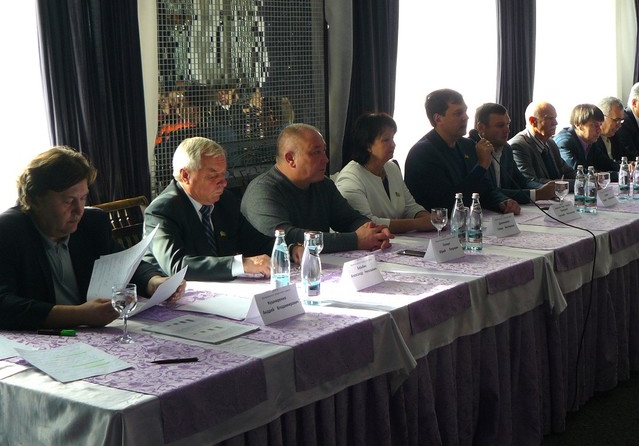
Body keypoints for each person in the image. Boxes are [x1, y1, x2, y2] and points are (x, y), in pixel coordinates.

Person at [0, 147, 184, 331]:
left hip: (90, 333)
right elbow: (4, 303)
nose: (79, 210)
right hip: (37, 338)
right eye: (68, 201)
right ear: (35, 199)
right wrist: (79, 314)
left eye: (83, 198)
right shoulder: (8, 231)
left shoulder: (91, 223)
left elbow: (123, 262)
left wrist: (154, 282)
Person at [241, 123, 393, 253]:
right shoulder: (262, 191)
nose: (325, 159)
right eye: (316, 152)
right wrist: (356, 240)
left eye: (324, 151)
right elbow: (284, 237)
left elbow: (348, 219)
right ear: (291, 158)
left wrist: (374, 231)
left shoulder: (323, 184)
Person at [143, 137, 278, 281]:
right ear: (185, 176)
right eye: (213, 176)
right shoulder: (162, 211)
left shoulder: (225, 201)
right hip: (178, 292)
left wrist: (289, 249)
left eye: (223, 174)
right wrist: (241, 264)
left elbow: (257, 243)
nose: (223, 183)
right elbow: (177, 266)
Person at [404, 89, 520, 214]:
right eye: (458, 113)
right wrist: (481, 166)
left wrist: (502, 202)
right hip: (437, 223)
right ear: (438, 119)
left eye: (465, 111)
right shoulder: (422, 153)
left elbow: (486, 190)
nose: (466, 117)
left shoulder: (468, 145)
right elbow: (446, 203)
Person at [336, 112, 432, 233]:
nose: (393, 144)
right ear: (368, 146)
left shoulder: (392, 168)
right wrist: (418, 224)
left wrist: (430, 219)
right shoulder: (350, 178)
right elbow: (366, 223)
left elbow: (410, 206)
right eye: (386, 140)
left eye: (393, 138)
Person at [468, 103, 556, 204]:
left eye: (507, 124)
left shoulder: (506, 149)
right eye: (500, 126)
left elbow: (521, 182)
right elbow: (488, 191)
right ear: (481, 128)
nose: (507, 130)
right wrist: (536, 194)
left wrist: (546, 189)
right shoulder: (471, 150)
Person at [509, 101, 577, 186]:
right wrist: (568, 184)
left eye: (555, 118)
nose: (555, 123)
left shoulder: (551, 143)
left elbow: (568, 172)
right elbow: (530, 181)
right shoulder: (518, 146)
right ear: (533, 121)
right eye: (550, 118)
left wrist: (585, 180)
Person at [554, 104, 620, 174]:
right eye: (595, 125)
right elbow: (578, 172)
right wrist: (610, 175)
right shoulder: (565, 143)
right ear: (578, 125)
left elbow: (607, 164)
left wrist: (624, 169)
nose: (599, 130)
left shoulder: (591, 141)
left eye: (600, 125)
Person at [597, 96, 627, 163]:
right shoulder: (593, 140)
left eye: (621, 120)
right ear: (602, 117)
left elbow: (629, 156)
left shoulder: (615, 137)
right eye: (616, 120)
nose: (619, 125)